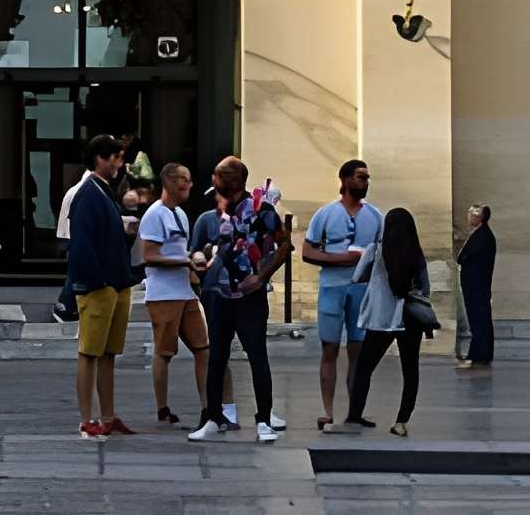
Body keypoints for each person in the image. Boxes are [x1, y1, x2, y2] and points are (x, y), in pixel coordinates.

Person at [189, 157, 285, 445]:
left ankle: (264, 420)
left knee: (257, 356)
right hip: (219, 295)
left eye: (221, 179)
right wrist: (199, 262)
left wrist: (262, 276)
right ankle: (214, 417)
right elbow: (201, 249)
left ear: (238, 181)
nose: (216, 184)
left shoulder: (262, 211)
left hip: (249, 295)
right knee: (216, 356)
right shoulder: (213, 214)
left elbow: (283, 246)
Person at [63, 135, 136, 440]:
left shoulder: (103, 192)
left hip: (114, 284)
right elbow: (80, 244)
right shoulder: (88, 194)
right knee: (90, 352)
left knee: (107, 353)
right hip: (100, 285)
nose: (119, 164)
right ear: (99, 159)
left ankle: (107, 415)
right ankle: (86, 418)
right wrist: (98, 282)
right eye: (115, 158)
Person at [343, 204, 434, 436]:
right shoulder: (416, 254)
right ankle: (401, 422)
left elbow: (356, 278)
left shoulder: (375, 251)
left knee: (364, 368)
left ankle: (354, 415)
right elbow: (425, 289)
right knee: (410, 371)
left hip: (381, 320)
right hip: (410, 320)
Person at [302, 159, 380, 430]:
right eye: (360, 177)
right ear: (345, 179)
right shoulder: (325, 214)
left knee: (358, 350)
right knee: (330, 348)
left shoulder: (375, 216)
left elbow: (384, 253)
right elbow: (307, 251)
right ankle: (328, 410)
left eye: (367, 178)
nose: (365, 182)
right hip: (332, 287)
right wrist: (342, 260)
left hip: (362, 290)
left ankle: (355, 411)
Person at [138, 162, 209, 426]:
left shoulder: (179, 213)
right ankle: (162, 407)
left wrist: (193, 270)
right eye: (185, 180)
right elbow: (150, 255)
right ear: (171, 182)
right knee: (164, 352)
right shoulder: (154, 215)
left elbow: (181, 251)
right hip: (163, 294)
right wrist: (185, 262)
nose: (189, 185)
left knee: (203, 348)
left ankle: (207, 406)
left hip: (184, 291)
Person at [454, 206, 496, 371]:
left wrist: (463, 258)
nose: (469, 217)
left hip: (477, 286)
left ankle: (479, 354)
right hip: (475, 286)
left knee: (479, 320)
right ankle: (479, 353)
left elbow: (465, 257)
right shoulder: (480, 234)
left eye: (471, 214)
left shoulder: (483, 236)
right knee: (478, 320)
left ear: (479, 217)